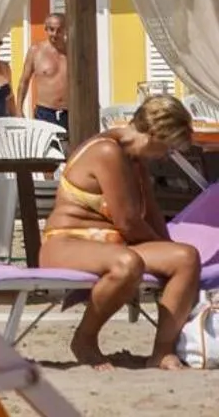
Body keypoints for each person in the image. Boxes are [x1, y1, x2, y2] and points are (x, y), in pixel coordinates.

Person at [39, 95, 202, 369]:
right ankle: (85, 339)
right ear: (153, 135)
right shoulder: (107, 151)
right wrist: (158, 252)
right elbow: (128, 223)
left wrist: (168, 251)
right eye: (168, 147)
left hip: (113, 247)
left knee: (186, 258)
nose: (166, 155)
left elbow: (150, 213)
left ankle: (162, 351)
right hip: (66, 243)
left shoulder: (134, 159)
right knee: (128, 264)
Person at [21, 14, 71, 129]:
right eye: (51, 29)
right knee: (45, 147)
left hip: (70, 112)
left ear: (65, 29)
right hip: (45, 113)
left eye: (59, 30)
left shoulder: (73, 51)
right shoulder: (36, 51)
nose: (55, 34)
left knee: (75, 146)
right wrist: (19, 110)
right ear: (46, 29)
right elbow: (24, 82)